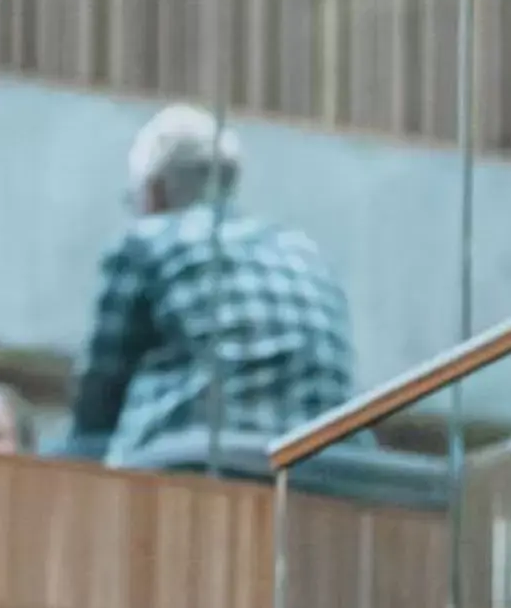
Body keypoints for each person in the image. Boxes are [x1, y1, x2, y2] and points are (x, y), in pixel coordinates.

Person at [56, 104, 355, 469]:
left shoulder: (147, 239)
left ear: (155, 192)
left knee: (65, 455)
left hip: (194, 463)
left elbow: (98, 400)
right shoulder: (305, 250)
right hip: (319, 467)